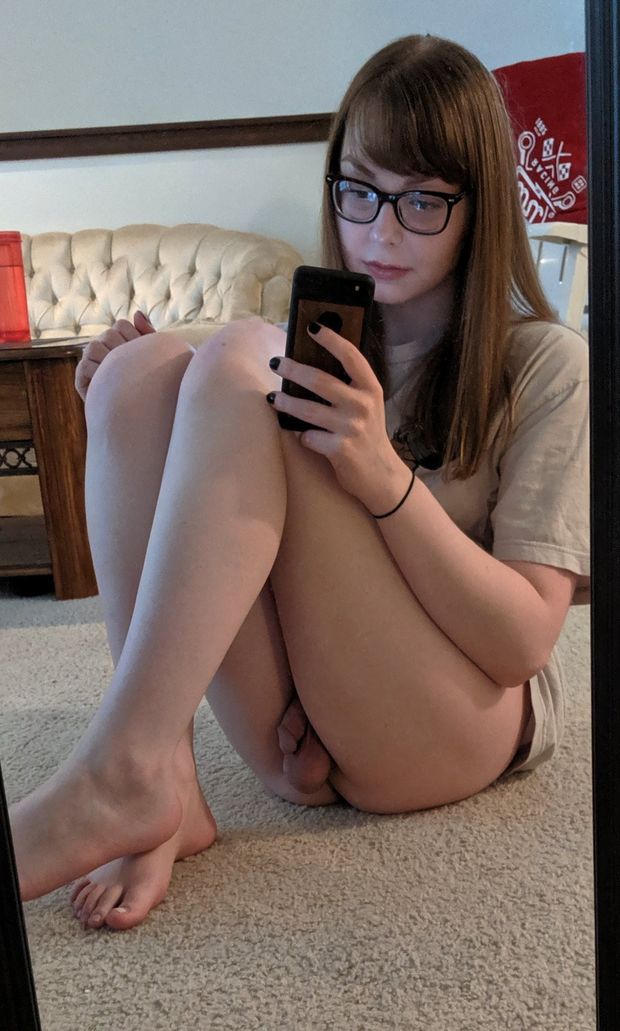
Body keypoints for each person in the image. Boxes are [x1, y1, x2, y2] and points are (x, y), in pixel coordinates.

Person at [9, 33, 589, 932]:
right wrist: (122, 400)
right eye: (359, 190)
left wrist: (384, 479)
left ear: (480, 208)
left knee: (244, 356)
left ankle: (119, 770)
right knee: (139, 375)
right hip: (311, 726)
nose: (380, 231)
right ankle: (163, 778)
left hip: (466, 721)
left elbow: (521, 643)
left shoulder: (546, 364)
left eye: (421, 201)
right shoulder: (323, 338)